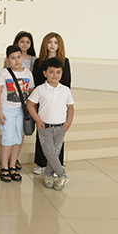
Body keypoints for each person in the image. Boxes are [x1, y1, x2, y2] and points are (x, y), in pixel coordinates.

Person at [26, 57, 75, 190]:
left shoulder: (65, 90)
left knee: (54, 154)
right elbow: (30, 104)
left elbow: (70, 107)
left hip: (60, 128)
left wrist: (69, 121)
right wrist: (37, 120)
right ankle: (62, 175)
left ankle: (48, 175)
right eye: (51, 72)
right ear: (45, 73)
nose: (55, 75)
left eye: (58, 72)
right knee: (49, 153)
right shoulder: (40, 89)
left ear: (62, 73)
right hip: (44, 128)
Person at [32, 32, 71, 175]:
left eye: (55, 42)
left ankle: (56, 166)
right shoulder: (39, 61)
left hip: (59, 100)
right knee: (42, 132)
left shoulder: (65, 61)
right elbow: (36, 81)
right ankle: (41, 163)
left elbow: (67, 82)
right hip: (43, 99)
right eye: (50, 42)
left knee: (58, 138)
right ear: (45, 44)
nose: (52, 45)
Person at [0, 45, 35, 183]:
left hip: (22, 111)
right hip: (7, 110)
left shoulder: (28, 73)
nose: (16, 60)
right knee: (8, 138)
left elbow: (31, 92)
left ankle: (12, 166)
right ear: (7, 59)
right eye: (13, 58)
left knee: (18, 138)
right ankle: (4, 167)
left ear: (22, 57)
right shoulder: (3, 74)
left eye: (18, 57)